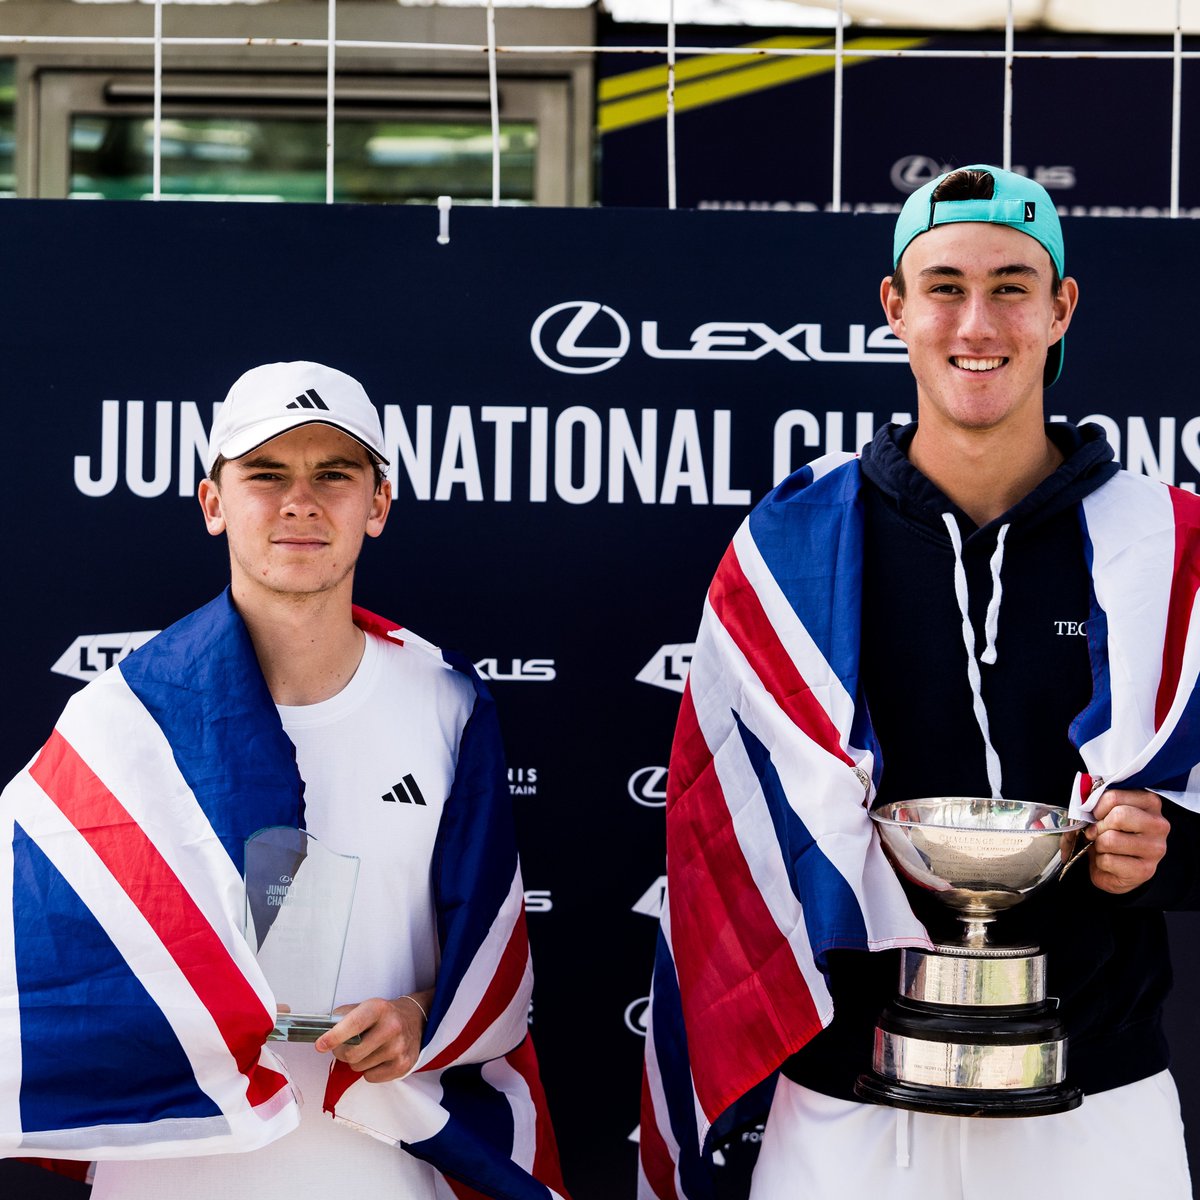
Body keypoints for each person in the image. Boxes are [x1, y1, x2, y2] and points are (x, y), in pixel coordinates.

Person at [639, 166, 1200, 1200]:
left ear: (1060, 307)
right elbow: (717, 843)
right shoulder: (788, 548)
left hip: (1097, 1105)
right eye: (943, 285)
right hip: (852, 1112)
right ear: (895, 308)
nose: (976, 322)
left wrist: (1166, 854)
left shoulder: (1167, 544)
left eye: (1012, 285)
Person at [0, 361, 568, 1200]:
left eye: (334, 474)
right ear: (214, 503)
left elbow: (492, 961)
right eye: (266, 475)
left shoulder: (446, 705)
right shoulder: (118, 718)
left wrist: (418, 1016)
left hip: (377, 1158)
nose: (300, 500)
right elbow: (42, 976)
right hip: (178, 1169)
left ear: (376, 505)